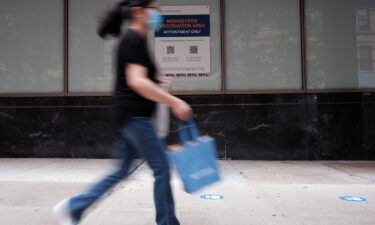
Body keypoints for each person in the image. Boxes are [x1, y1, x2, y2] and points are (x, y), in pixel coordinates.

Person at [53, 0, 192, 224]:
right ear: (138, 12)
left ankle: (74, 207)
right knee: (162, 169)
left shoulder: (135, 39)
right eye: (154, 9)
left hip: (128, 116)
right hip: (135, 117)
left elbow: (135, 82)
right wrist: (174, 101)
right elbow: (136, 82)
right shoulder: (133, 39)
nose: (158, 13)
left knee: (120, 171)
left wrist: (158, 83)